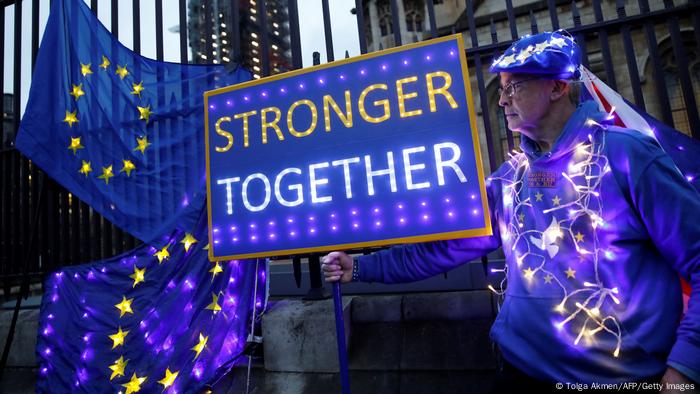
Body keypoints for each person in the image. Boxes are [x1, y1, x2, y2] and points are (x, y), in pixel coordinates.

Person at [321, 31, 700, 393]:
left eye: (514, 87)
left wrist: (684, 368)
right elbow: (442, 249)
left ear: (557, 86)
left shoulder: (628, 156)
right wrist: (361, 267)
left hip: (621, 380)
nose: (502, 101)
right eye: (501, 90)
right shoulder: (509, 179)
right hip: (518, 374)